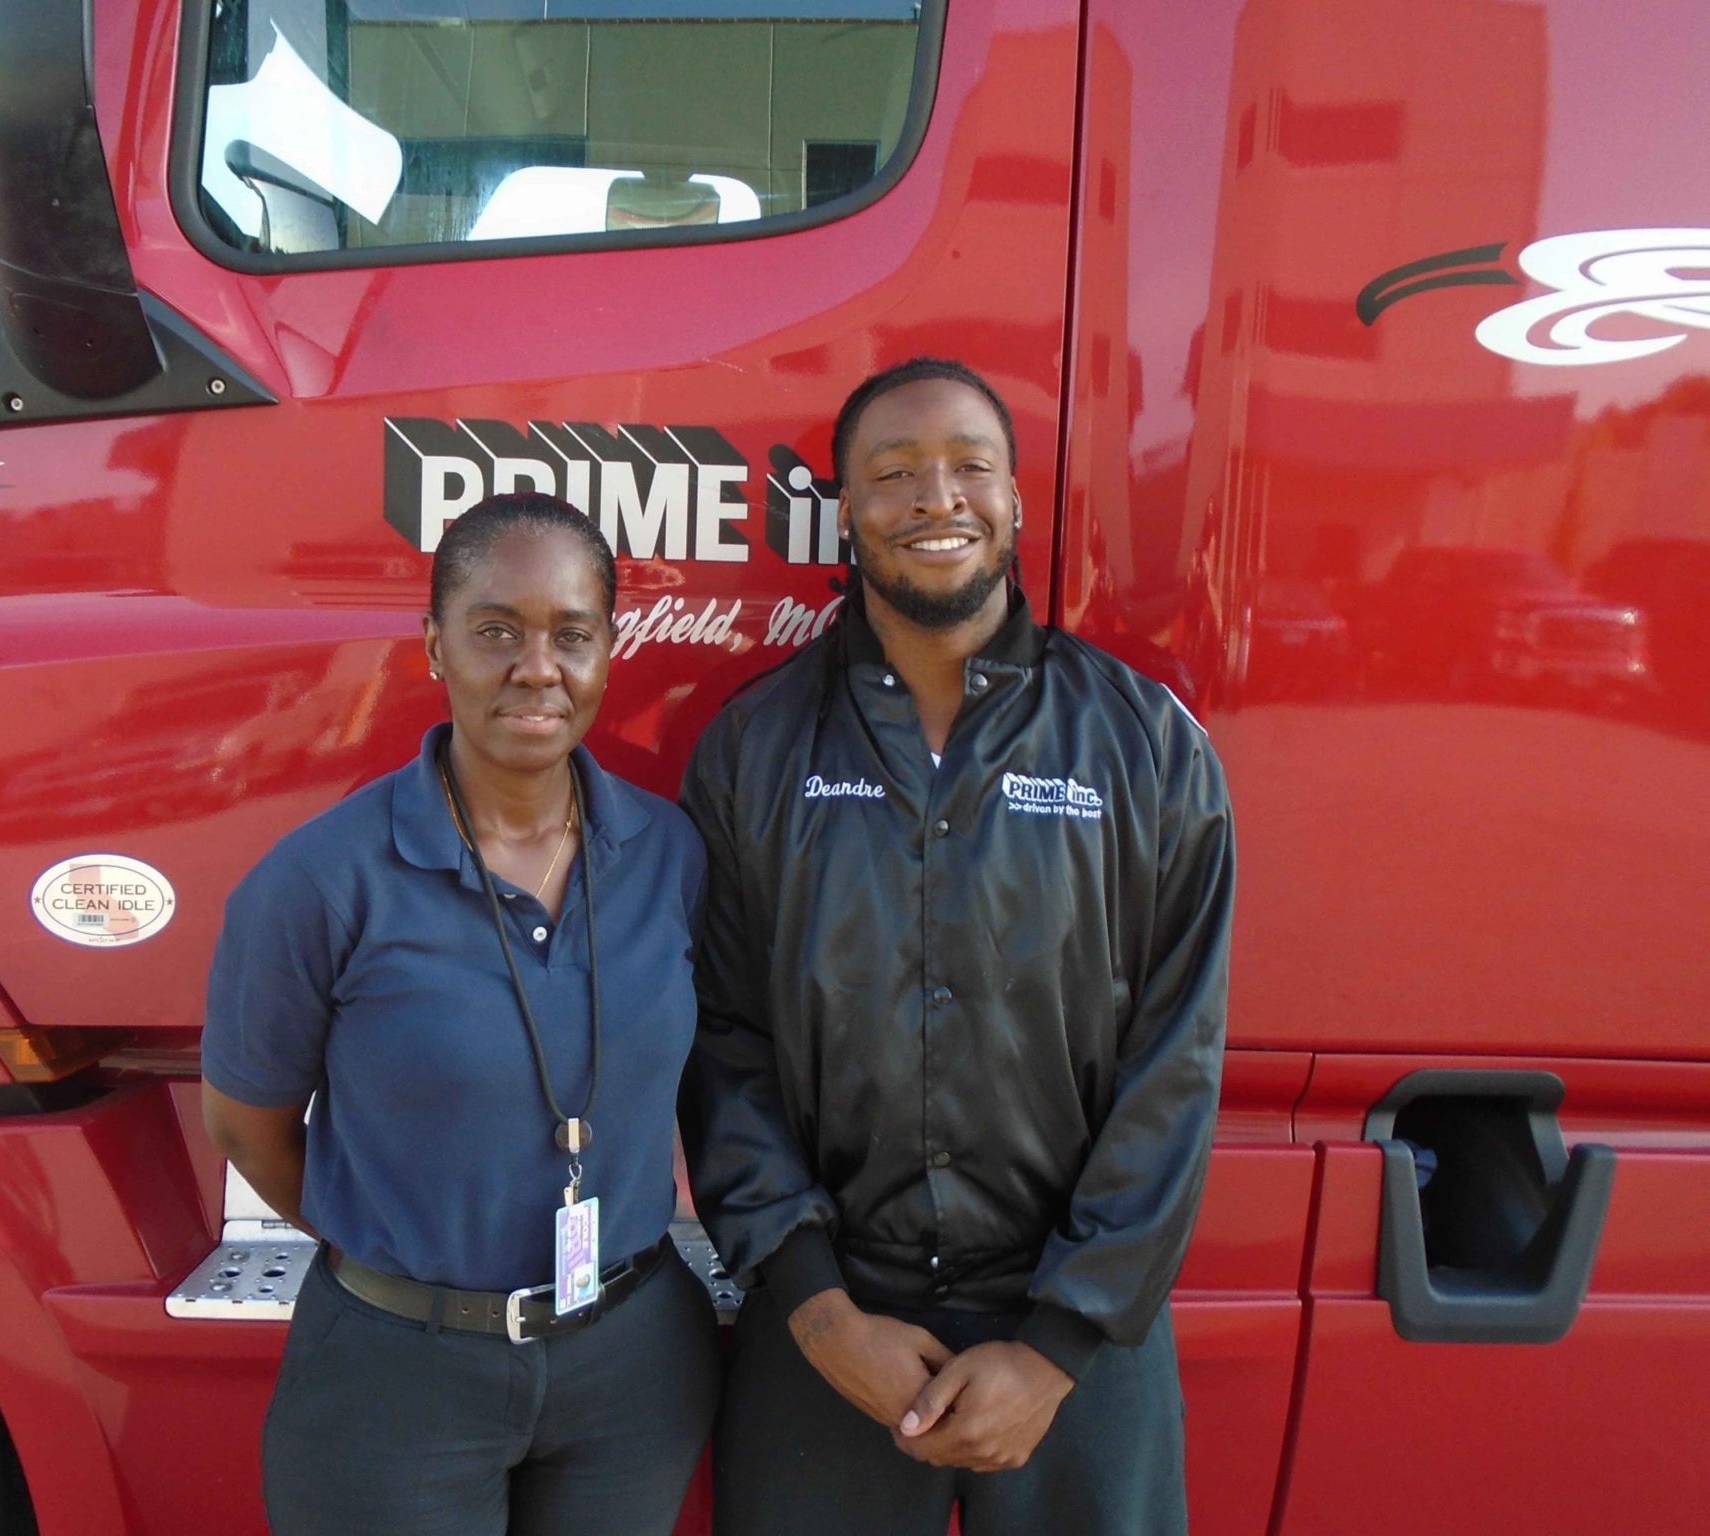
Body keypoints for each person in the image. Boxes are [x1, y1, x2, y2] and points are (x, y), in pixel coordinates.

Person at [680, 358, 1235, 1536]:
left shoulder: (1142, 748)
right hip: (834, 1329)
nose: (936, 498)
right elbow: (722, 1046)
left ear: (1018, 502)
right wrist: (817, 1310)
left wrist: (1058, 1343)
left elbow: (1174, 1060)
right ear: (843, 513)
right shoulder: (753, 749)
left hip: (1078, 1338)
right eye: (891, 475)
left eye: (969, 468)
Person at [203, 492, 719, 1536]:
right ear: (433, 645)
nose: (536, 667)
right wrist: (399, 1249)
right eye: (495, 631)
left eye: (570, 635)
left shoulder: (669, 855)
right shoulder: (319, 882)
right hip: (400, 1376)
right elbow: (246, 1124)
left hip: (630, 1365)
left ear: (609, 652)